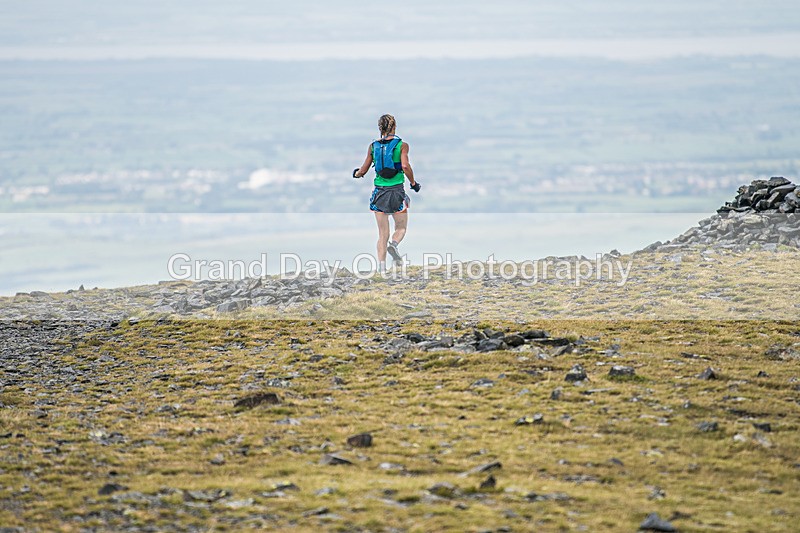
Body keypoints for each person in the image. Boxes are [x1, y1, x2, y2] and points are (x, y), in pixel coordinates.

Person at [353, 114, 421, 271]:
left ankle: (381, 268)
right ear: (395, 126)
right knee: (401, 228)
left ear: (380, 128)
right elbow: (405, 166)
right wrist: (413, 183)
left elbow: (363, 170)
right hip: (397, 191)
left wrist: (356, 174)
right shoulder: (402, 145)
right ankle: (394, 245)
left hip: (379, 192)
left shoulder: (373, 146)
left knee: (382, 233)